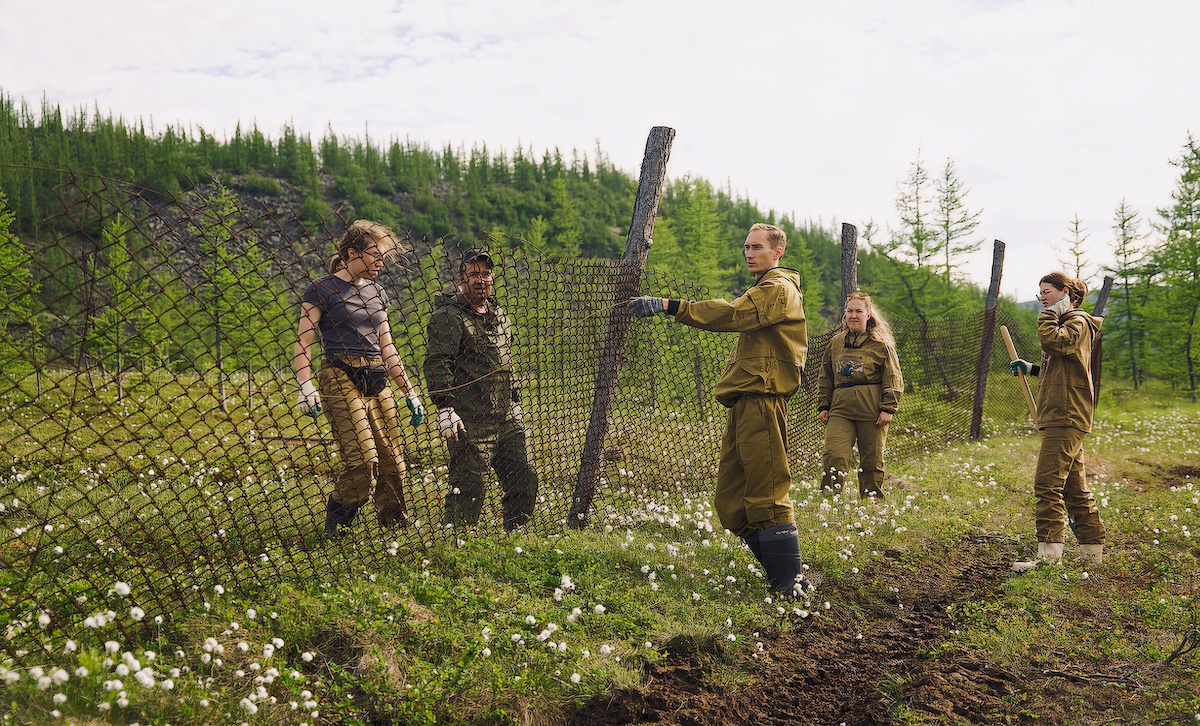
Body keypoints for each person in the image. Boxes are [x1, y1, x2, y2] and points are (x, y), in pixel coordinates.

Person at [629, 223, 810, 597]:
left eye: (757, 247)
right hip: (745, 402)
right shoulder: (764, 288)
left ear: (777, 252)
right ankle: (782, 574)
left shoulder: (777, 288)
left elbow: (732, 315)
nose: (748, 253)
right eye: (745, 246)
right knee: (731, 501)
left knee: (766, 493)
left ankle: (789, 585)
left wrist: (670, 306)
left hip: (762, 399)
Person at [294, 220, 425, 536]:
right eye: (374, 255)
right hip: (340, 375)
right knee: (363, 463)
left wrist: (409, 391)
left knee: (393, 462)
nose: (381, 262)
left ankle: (394, 526)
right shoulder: (322, 288)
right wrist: (305, 384)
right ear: (352, 252)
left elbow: (388, 346)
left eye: (383, 257)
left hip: (377, 377)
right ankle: (337, 525)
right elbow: (304, 341)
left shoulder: (378, 292)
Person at [423, 249, 538, 530]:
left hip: (506, 416)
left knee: (524, 477)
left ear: (492, 278)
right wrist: (444, 407)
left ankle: (517, 533)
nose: (480, 279)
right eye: (473, 273)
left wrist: (515, 398)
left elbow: (506, 360)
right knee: (470, 488)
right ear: (461, 278)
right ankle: (456, 544)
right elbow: (438, 361)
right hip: (470, 419)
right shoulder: (448, 316)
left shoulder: (498, 315)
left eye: (485, 274)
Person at [1010, 271, 1107, 570]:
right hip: (1060, 413)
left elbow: (1056, 343)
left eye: (1048, 291)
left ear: (1066, 292)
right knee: (1074, 488)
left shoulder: (1076, 322)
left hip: (1067, 415)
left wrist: (1047, 317)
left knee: (1047, 483)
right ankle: (1092, 554)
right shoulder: (1069, 325)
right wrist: (1034, 368)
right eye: (1040, 291)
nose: (1042, 296)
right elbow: (1066, 366)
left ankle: (1049, 557)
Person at [817, 292, 903, 500]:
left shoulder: (881, 344)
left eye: (858, 311)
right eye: (849, 311)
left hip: (872, 409)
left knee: (871, 459)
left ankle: (871, 500)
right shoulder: (836, 343)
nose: (853, 315)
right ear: (845, 314)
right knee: (834, 455)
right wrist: (824, 406)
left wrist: (888, 408)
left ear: (869, 314)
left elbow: (893, 377)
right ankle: (831, 498)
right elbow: (825, 376)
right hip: (841, 408)